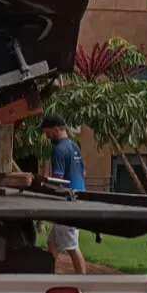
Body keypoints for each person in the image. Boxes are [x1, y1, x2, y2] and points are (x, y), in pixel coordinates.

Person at [41, 114, 87, 275]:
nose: (47, 137)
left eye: (47, 133)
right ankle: (49, 277)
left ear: (55, 129)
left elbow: (58, 181)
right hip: (77, 199)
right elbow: (83, 172)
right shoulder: (74, 146)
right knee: (52, 244)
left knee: (72, 247)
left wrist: (43, 186)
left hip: (67, 204)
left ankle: (82, 284)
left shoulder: (59, 150)